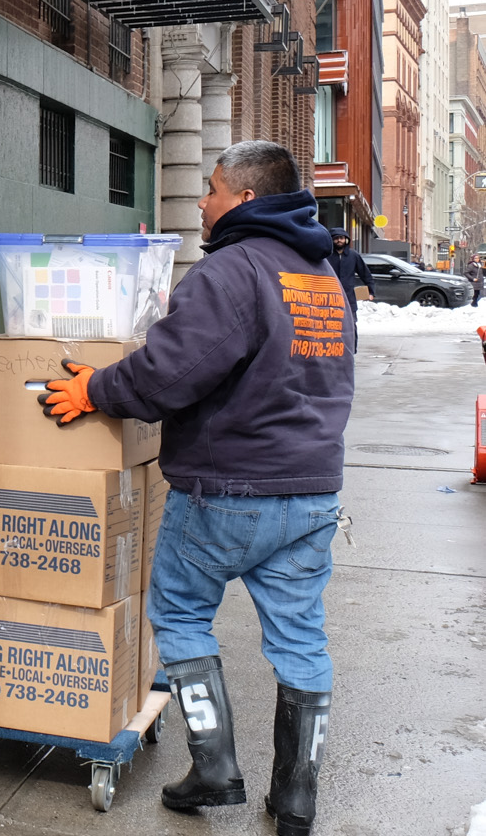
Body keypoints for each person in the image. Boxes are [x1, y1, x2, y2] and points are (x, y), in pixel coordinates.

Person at [35, 141, 350, 836]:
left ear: (242, 198)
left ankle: (213, 767)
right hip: (310, 493)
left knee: (178, 612)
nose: (200, 202)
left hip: (227, 491)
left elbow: (168, 375)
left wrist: (94, 387)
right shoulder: (321, 274)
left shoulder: (233, 270)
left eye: (209, 189)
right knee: (300, 638)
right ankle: (295, 798)